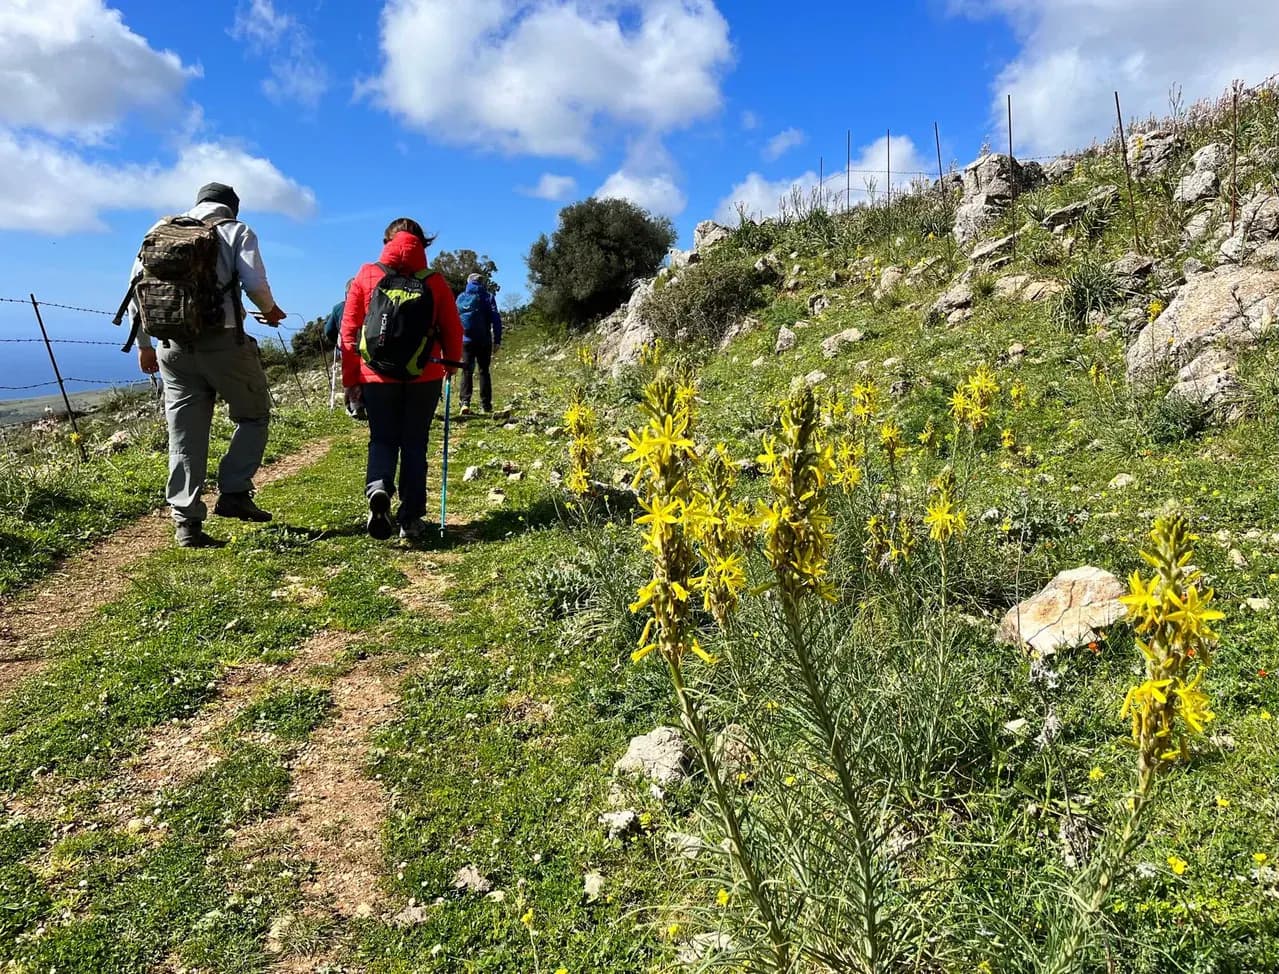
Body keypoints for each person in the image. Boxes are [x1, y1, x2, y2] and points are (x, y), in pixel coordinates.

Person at [130, 182, 287, 548]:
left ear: (198, 203)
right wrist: (270, 311)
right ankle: (233, 491)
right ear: (232, 207)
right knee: (254, 414)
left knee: (185, 434)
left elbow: (136, 289)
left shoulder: (159, 231)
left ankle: (186, 523)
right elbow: (254, 282)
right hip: (223, 342)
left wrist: (144, 346)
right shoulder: (236, 231)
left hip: (171, 347)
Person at [340, 218, 463, 541]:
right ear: (423, 244)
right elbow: (453, 327)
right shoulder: (434, 281)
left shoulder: (366, 275)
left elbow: (349, 332)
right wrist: (450, 363)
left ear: (386, 242)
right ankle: (410, 519)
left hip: (376, 376)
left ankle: (378, 488)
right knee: (414, 444)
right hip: (425, 374)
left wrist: (351, 380)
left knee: (382, 439)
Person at [455, 272, 503, 416]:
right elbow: (496, 320)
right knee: (484, 371)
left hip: (466, 340)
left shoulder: (461, 297)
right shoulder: (488, 297)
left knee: (466, 371)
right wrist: (497, 340)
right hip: (484, 340)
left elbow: (454, 319)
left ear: (468, 282)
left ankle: (465, 402)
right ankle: (486, 405)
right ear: (482, 283)